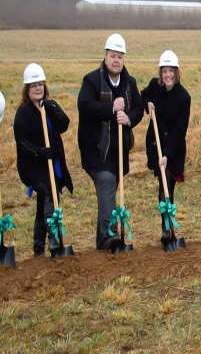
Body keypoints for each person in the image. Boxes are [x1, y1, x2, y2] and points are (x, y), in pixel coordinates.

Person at [77, 33, 143, 250]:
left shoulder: (129, 83)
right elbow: (84, 105)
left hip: (118, 151)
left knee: (109, 191)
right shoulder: (91, 80)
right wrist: (111, 108)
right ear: (105, 57)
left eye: (120, 56)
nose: (116, 60)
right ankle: (109, 235)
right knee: (106, 181)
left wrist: (129, 118)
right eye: (113, 56)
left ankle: (102, 241)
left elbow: (139, 108)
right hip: (96, 151)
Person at [13, 63, 73, 256]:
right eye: (33, 85)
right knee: (48, 192)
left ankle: (38, 249)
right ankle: (54, 240)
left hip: (52, 164)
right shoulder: (23, 112)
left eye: (40, 84)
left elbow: (64, 125)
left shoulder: (49, 106)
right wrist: (39, 152)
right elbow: (21, 141)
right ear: (27, 89)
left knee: (43, 204)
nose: (38, 88)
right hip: (32, 166)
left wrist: (55, 109)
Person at [140, 50, 191, 244]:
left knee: (167, 186)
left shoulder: (184, 97)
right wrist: (148, 104)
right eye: (164, 71)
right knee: (163, 186)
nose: (168, 75)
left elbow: (180, 130)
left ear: (176, 72)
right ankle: (167, 229)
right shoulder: (155, 86)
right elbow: (143, 96)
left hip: (173, 150)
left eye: (171, 71)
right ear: (161, 73)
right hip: (156, 146)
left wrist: (167, 155)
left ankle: (168, 230)